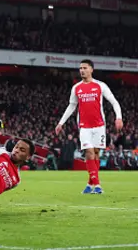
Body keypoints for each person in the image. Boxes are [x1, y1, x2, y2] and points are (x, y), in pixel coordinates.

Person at [55, 59, 123, 194]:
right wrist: (61, 122)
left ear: (91, 69)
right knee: (89, 152)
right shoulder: (76, 88)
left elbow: (114, 102)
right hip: (84, 126)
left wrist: (118, 117)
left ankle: (89, 183)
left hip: (99, 126)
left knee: (96, 153)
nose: (82, 70)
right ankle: (97, 185)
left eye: (85, 68)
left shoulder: (100, 85)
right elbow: (71, 106)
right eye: (80, 68)